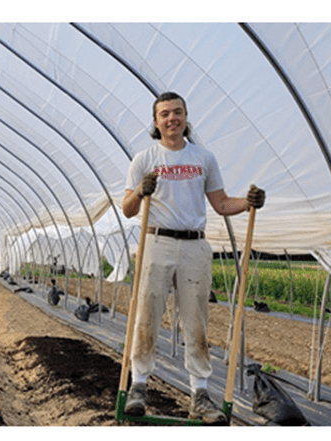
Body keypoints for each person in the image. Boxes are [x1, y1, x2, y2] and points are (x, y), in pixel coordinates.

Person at [121, 92, 265, 423]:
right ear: (156, 122)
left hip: (194, 245)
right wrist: (141, 191)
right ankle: (139, 386)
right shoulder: (144, 159)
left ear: (186, 116)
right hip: (157, 241)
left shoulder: (204, 158)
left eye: (178, 112)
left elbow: (221, 204)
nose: (172, 119)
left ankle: (200, 394)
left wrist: (249, 201)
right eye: (165, 114)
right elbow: (128, 210)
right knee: (147, 313)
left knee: (196, 320)